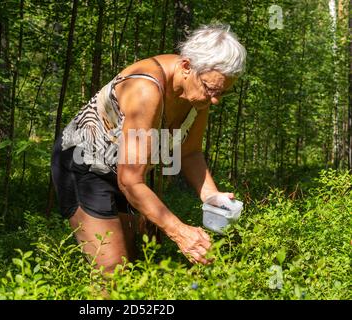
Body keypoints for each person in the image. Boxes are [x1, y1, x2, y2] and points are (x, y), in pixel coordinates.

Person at [52, 24, 246, 272]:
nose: (215, 100)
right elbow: (130, 181)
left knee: (136, 262)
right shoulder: (146, 89)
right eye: (211, 89)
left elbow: (190, 152)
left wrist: (211, 195)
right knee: (113, 269)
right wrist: (180, 232)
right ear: (187, 66)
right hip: (84, 164)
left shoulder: (198, 97)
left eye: (223, 93)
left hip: (124, 171)